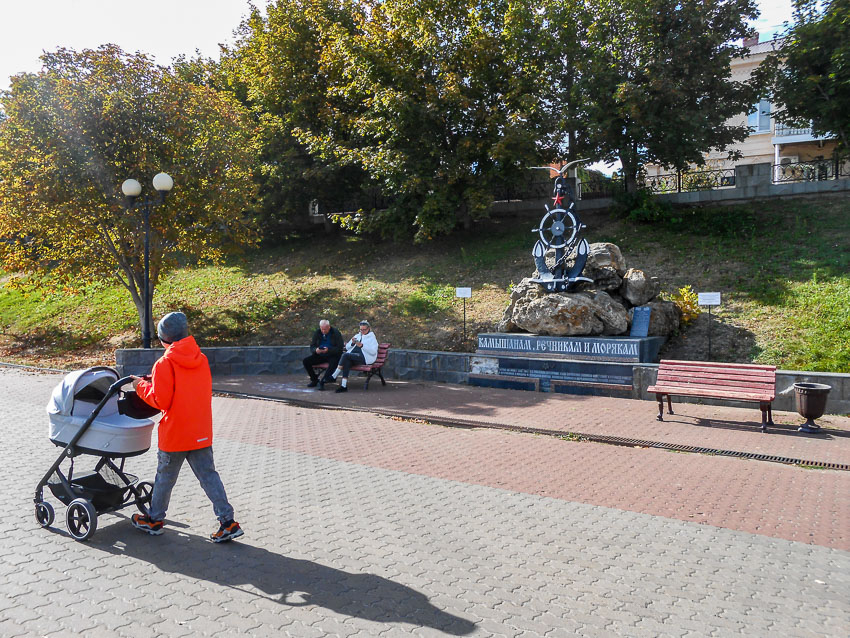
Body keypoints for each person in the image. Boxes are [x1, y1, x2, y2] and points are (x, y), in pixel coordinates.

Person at [129, 311, 243, 543]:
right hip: (200, 431)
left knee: (165, 479)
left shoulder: (165, 363)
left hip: (176, 434)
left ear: (164, 339)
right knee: (209, 476)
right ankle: (228, 521)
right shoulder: (201, 359)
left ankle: (154, 519)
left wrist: (139, 386)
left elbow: (160, 401)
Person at [331, 320, 378, 393]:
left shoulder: (372, 338)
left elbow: (373, 352)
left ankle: (335, 375)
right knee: (347, 361)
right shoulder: (357, 336)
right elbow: (347, 347)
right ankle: (343, 386)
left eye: (364, 329)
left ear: (368, 329)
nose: (362, 331)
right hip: (353, 356)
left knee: (345, 355)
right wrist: (352, 343)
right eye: (361, 329)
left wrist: (362, 346)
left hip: (364, 358)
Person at [302, 319, 344, 390]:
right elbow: (312, 346)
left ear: (329, 327)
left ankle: (323, 381)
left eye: (325, 329)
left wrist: (329, 350)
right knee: (306, 361)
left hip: (332, 355)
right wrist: (316, 350)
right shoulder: (317, 332)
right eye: (322, 329)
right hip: (320, 354)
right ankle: (314, 380)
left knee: (333, 363)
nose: (323, 331)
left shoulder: (336, 333)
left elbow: (339, 348)